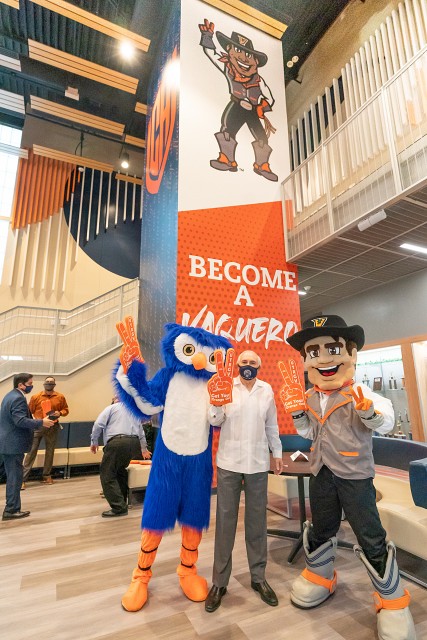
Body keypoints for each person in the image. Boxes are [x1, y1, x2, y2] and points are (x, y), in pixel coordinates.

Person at [280, 315, 416, 640]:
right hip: (321, 471)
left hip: (355, 475)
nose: (324, 358)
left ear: (351, 353)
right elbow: (308, 432)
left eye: (332, 348)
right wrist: (299, 413)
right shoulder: (310, 397)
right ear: (306, 360)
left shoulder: (361, 391)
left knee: (368, 533)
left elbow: (384, 422)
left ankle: (393, 599)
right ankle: (320, 576)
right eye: (314, 352)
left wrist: (368, 411)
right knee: (322, 524)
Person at [205, 349, 283, 613]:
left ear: (259, 366)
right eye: (244, 362)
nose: (248, 366)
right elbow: (214, 420)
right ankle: (219, 583)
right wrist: (216, 401)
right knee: (225, 523)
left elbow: (272, 425)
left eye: (253, 363)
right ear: (237, 365)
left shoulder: (266, 390)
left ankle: (258, 578)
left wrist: (278, 453)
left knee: (257, 523)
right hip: (229, 463)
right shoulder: (227, 387)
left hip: (258, 464)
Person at [0, 373, 55, 520]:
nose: (32, 385)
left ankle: (12, 508)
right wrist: (41, 422)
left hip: (9, 444)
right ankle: (11, 510)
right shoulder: (17, 398)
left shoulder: (10, 395)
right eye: (30, 383)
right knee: (15, 478)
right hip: (13, 444)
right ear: (21, 385)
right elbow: (19, 421)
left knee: (15, 477)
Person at [90, 396, 152, 517]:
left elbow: (98, 424)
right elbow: (141, 433)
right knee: (120, 472)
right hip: (133, 444)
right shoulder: (133, 412)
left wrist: (94, 441)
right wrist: (144, 449)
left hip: (118, 442)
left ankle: (118, 507)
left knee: (107, 474)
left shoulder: (111, 408)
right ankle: (122, 500)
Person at [22, 376, 69, 486]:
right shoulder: (36, 397)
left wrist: (60, 413)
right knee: (31, 452)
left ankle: (46, 475)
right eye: (47, 382)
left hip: (53, 426)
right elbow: (29, 411)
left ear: (54, 384)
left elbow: (66, 410)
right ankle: (22, 479)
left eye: (51, 382)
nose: (49, 384)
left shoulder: (60, 397)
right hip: (38, 426)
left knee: (50, 451)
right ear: (44, 384)